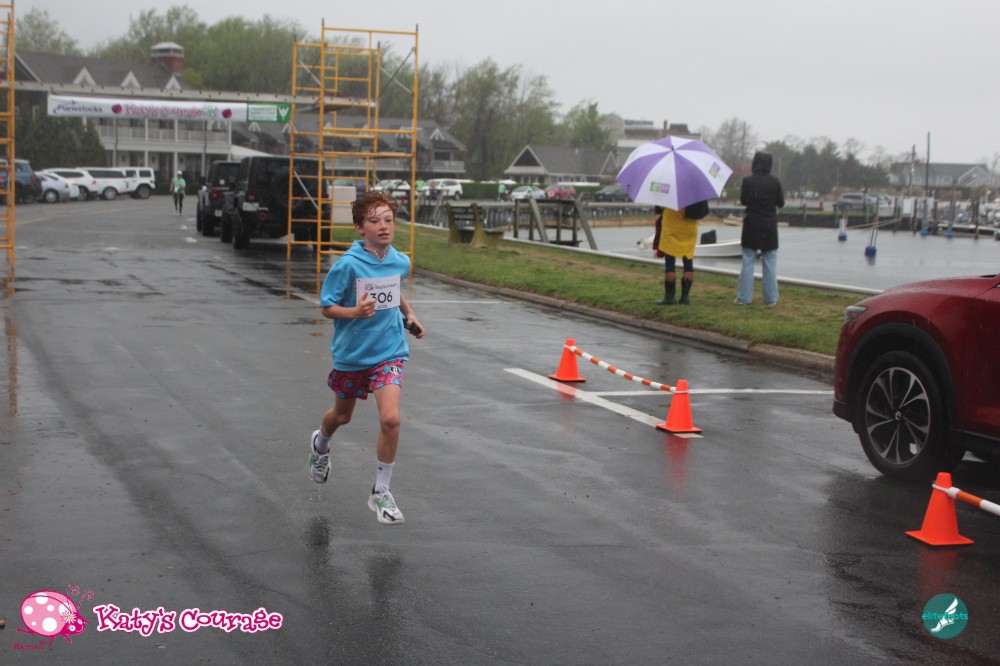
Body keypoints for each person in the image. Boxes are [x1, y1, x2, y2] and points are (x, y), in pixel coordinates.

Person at [309, 190, 425, 525]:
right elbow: (327, 307)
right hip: (352, 355)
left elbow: (394, 287)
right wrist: (355, 313)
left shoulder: (400, 261)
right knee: (342, 416)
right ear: (360, 228)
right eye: (375, 221)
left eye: (388, 219)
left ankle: (380, 491)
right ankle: (320, 443)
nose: (384, 226)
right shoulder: (347, 265)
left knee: (391, 419)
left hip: (389, 352)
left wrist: (409, 314)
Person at [736, 151, 785, 305]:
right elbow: (781, 203)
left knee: (748, 261)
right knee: (770, 262)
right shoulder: (775, 182)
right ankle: (771, 298)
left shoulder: (748, 181)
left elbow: (743, 200)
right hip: (769, 225)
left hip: (751, 224)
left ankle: (744, 297)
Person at [652, 200, 709, 305]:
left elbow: (659, 208)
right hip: (690, 231)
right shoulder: (694, 197)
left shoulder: (671, 195)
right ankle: (685, 297)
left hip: (671, 229)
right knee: (688, 263)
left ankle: (669, 297)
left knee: (670, 264)